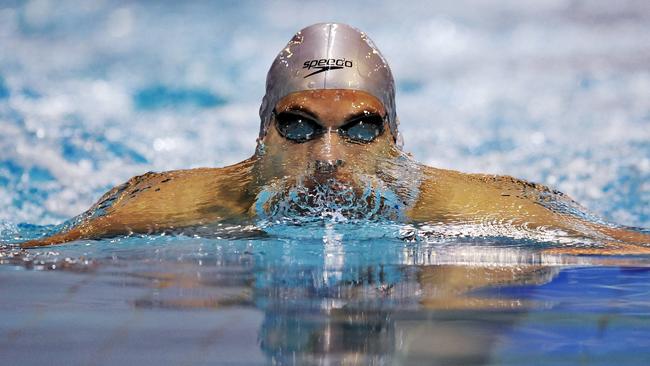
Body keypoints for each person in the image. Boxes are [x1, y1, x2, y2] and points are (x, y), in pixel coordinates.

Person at [20, 23, 650, 253]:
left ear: (395, 139)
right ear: (261, 135)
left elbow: (629, 246)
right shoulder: (162, 205)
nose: (327, 157)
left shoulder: (479, 210)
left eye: (360, 128)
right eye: (298, 125)